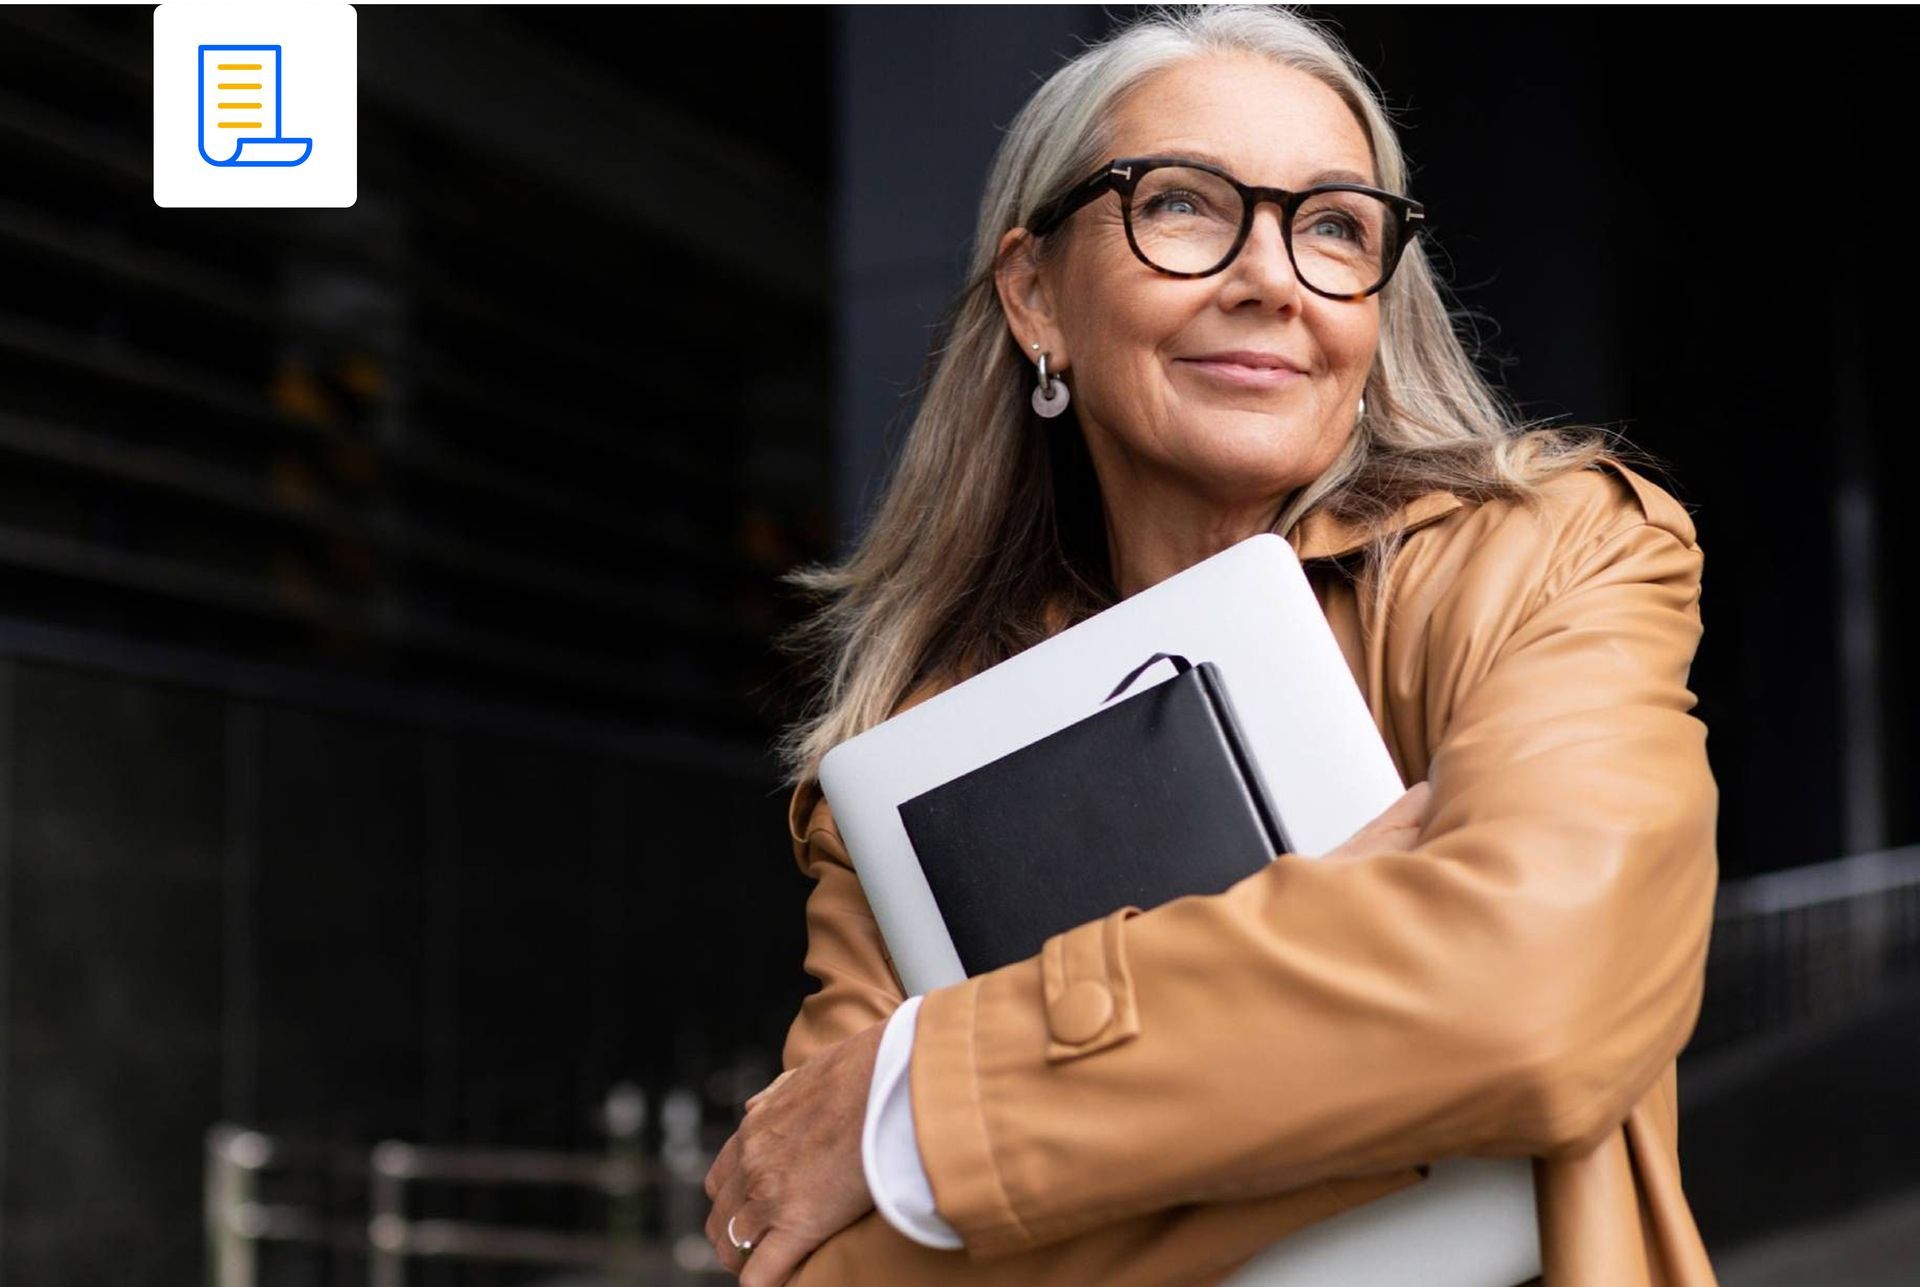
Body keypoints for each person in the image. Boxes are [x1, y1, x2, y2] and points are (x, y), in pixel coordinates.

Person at [704, 6, 1720, 1285]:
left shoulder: (1555, 557)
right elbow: (827, 1267)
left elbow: (1533, 1000)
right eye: (1183, 205)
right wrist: (1365, 973)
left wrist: (921, 1102)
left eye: (1336, 225)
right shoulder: (904, 771)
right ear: (1034, 296)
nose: (1273, 276)